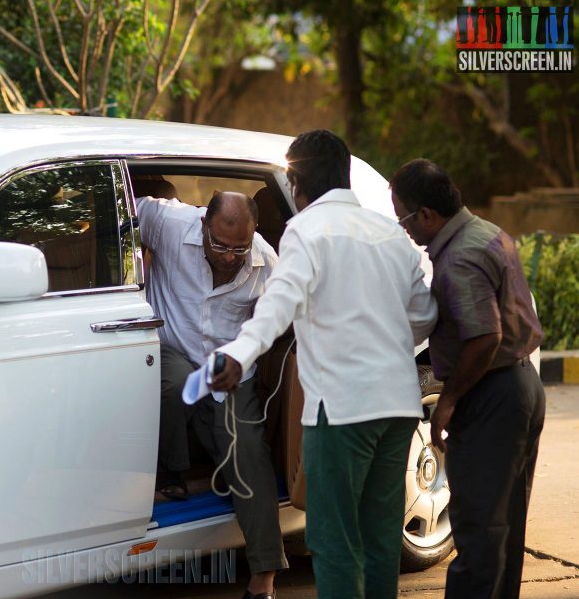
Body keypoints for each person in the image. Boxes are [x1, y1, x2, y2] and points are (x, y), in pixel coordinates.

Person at [211, 130, 438, 599]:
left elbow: (279, 302)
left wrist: (239, 352)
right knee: (378, 537)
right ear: (344, 174)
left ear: (296, 184)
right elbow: (424, 314)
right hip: (397, 407)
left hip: (340, 412)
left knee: (334, 540)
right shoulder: (391, 233)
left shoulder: (306, 231)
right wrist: (383, 346)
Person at [389, 158, 545, 599]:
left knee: (477, 527)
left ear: (426, 215)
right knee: (504, 527)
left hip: (492, 393)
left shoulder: (459, 258)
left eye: (403, 217)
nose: (405, 230)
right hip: (520, 386)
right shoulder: (486, 231)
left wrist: (450, 400)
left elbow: (484, 338)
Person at [137, 190, 287, 599]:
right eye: (220, 244)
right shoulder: (168, 224)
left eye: (239, 248)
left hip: (230, 368)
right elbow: (125, 208)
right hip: (173, 348)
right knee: (172, 384)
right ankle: (173, 470)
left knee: (249, 456)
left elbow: (277, 320)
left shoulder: (266, 263)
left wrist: (246, 356)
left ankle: (264, 579)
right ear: (203, 224)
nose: (228, 256)